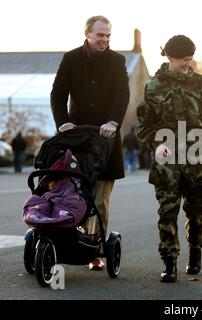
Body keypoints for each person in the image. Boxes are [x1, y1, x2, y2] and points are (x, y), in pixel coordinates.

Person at [137, 35, 202, 282]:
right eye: (184, 60)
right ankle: (169, 262)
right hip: (168, 162)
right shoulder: (153, 87)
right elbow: (146, 124)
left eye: (190, 59)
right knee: (167, 212)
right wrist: (155, 145)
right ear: (169, 57)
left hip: (198, 160)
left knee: (196, 213)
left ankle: (195, 252)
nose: (188, 64)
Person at [50, 15, 130, 270]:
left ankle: (94, 249)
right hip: (76, 139)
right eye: (100, 35)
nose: (105, 39)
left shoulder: (117, 61)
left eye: (108, 35)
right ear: (87, 34)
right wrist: (62, 122)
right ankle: (68, 241)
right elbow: (58, 93)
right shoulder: (71, 58)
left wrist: (113, 123)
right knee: (72, 193)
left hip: (105, 141)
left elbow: (122, 94)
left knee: (98, 200)